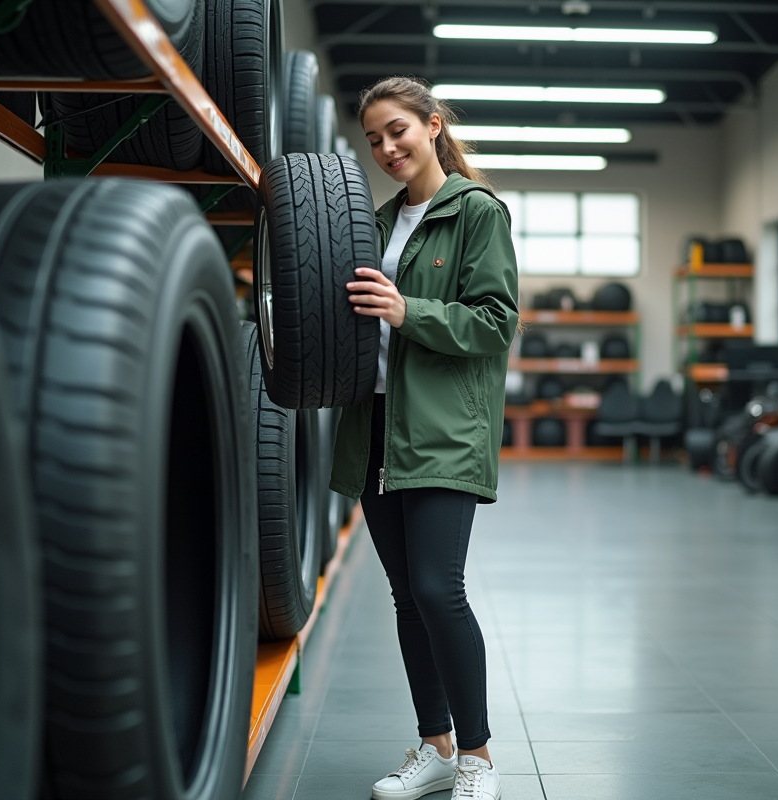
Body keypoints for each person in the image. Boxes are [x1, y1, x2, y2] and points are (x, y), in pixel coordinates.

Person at [328, 75, 519, 800]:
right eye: (374, 138)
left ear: (433, 125)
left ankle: (477, 757)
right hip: (375, 423)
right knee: (407, 595)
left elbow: (495, 322)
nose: (386, 148)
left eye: (398, 130)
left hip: (443, 428)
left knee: (439, 589)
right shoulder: (373, 223)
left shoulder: (476, 212)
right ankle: (435, 746)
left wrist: (409, 311)